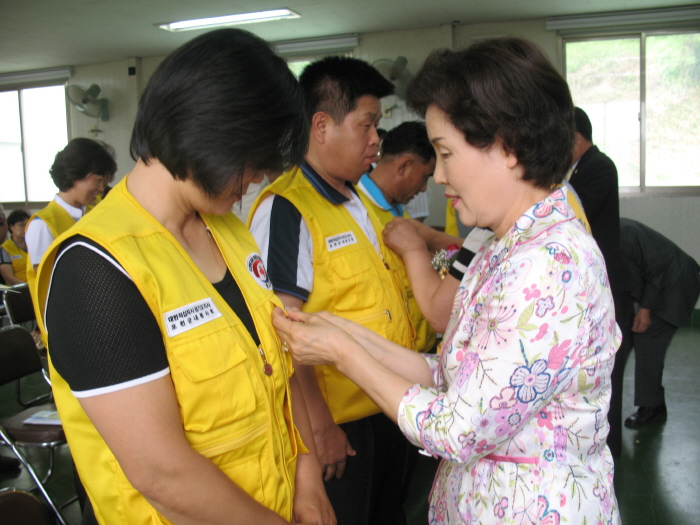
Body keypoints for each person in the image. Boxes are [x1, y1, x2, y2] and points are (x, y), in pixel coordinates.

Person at [274, 37, 620, 524]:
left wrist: (342, 353)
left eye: (446, 153)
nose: (436, 176)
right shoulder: (503, 247)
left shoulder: (549, 263)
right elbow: (451, 376)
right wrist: (340, 330)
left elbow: (458, 426)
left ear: (508, 147)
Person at [33, 28, 334, 525]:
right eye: (254, 159)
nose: (259, 177)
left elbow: (274, 372)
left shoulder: (229, 231)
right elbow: (161, 475)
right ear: (212, 133)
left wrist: (307, 476)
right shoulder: (95, 269)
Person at [250, 56, 416, 525]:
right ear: (321, 126)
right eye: (367, 126)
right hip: (342, 422)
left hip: (390, 403)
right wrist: (317, 426)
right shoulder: (286, 209)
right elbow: (285, 327)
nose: (376, 141)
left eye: (378, 128)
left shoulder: (356, 199)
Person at [568, 107, 632, 458]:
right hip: (594, 287)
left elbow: (576, 213)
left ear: (575, 138)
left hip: (609, 286)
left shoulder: (598, 167)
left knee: (609, 373)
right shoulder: (580, 169)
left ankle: (610, 449)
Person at [357, 121, 437, 354]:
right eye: (425, 177)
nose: (423, 189)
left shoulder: (399, 211)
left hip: (421, 349)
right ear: (404, 166)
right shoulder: (359, 211)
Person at [618, 218, 700, 427]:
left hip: (674, 283)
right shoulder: (601, 236)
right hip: (644, 288)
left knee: (649, 341)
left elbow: (657, 269)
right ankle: (610, 400)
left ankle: (653, 407)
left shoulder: (624, 232)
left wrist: (645, 310)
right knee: (619, 341)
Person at [25, 138, 117, 284]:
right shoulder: (43, 225)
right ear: (76, 174)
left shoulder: (96, 214)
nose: (101, 189)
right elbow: (49, 283)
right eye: (98, 180)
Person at [0, 209, 30, 284]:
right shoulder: (4, 249)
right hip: (19, 291)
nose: (25, 228)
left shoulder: (34, 244)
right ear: (11, 227)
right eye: (21, 225)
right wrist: (27, 287)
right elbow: (9, 277)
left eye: (28, 224)